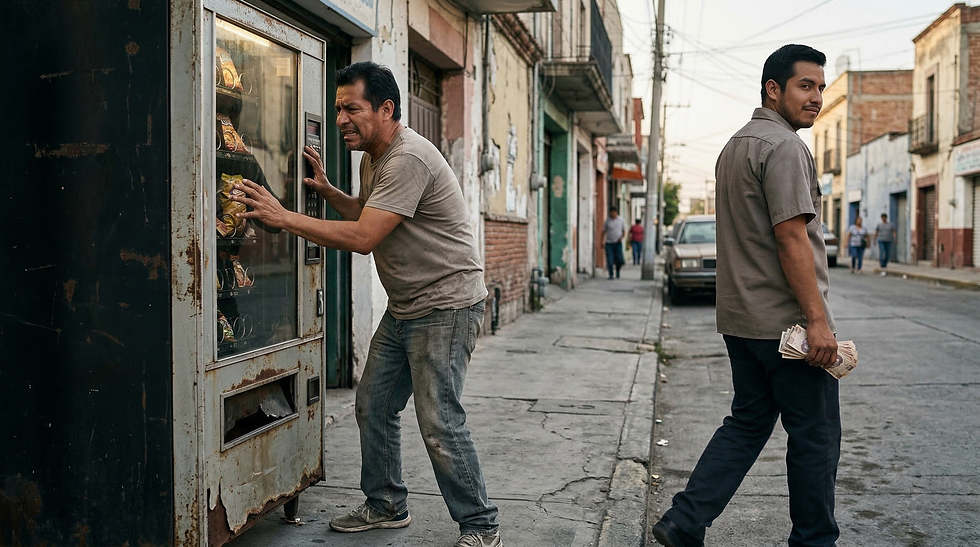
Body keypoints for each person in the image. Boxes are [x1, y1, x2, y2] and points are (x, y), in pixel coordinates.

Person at [231, 61, 502, 547]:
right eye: (337, 110)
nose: (340, 120)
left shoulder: (407, 158)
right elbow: (369, 212)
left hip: (446, 305)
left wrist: (285, 216)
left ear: (386, 108)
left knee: (439, 418)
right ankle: (386, 504)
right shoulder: (372, 158)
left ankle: (481, 526)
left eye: (351, 108)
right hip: (407, 306)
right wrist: (329, 192)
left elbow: (362, 237)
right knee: (373, 404)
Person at [652, 44, 840, 547]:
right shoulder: (784, 147)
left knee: (748, 421)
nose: (817, 97)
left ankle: (684, 522)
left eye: (821, 87)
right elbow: (790, 237)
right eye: (806, 85)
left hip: (741, 320)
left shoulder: (735, 145)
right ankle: (815, 541)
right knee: (815, 436)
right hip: (786, 328)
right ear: (772, 89)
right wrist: (817, 322)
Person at [603, 207, 627, 278]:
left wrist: (621, 237)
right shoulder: (607, 221)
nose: (613, 214)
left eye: (614, 212)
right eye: (612, 212)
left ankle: (617, 270)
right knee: (610, 259)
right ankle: (611, 274)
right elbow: (603, 231)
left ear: (616, 213)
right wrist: (602, 241)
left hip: (617, 243)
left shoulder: (621, 220)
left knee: (619, 259)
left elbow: (624, 231)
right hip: (609, 243)